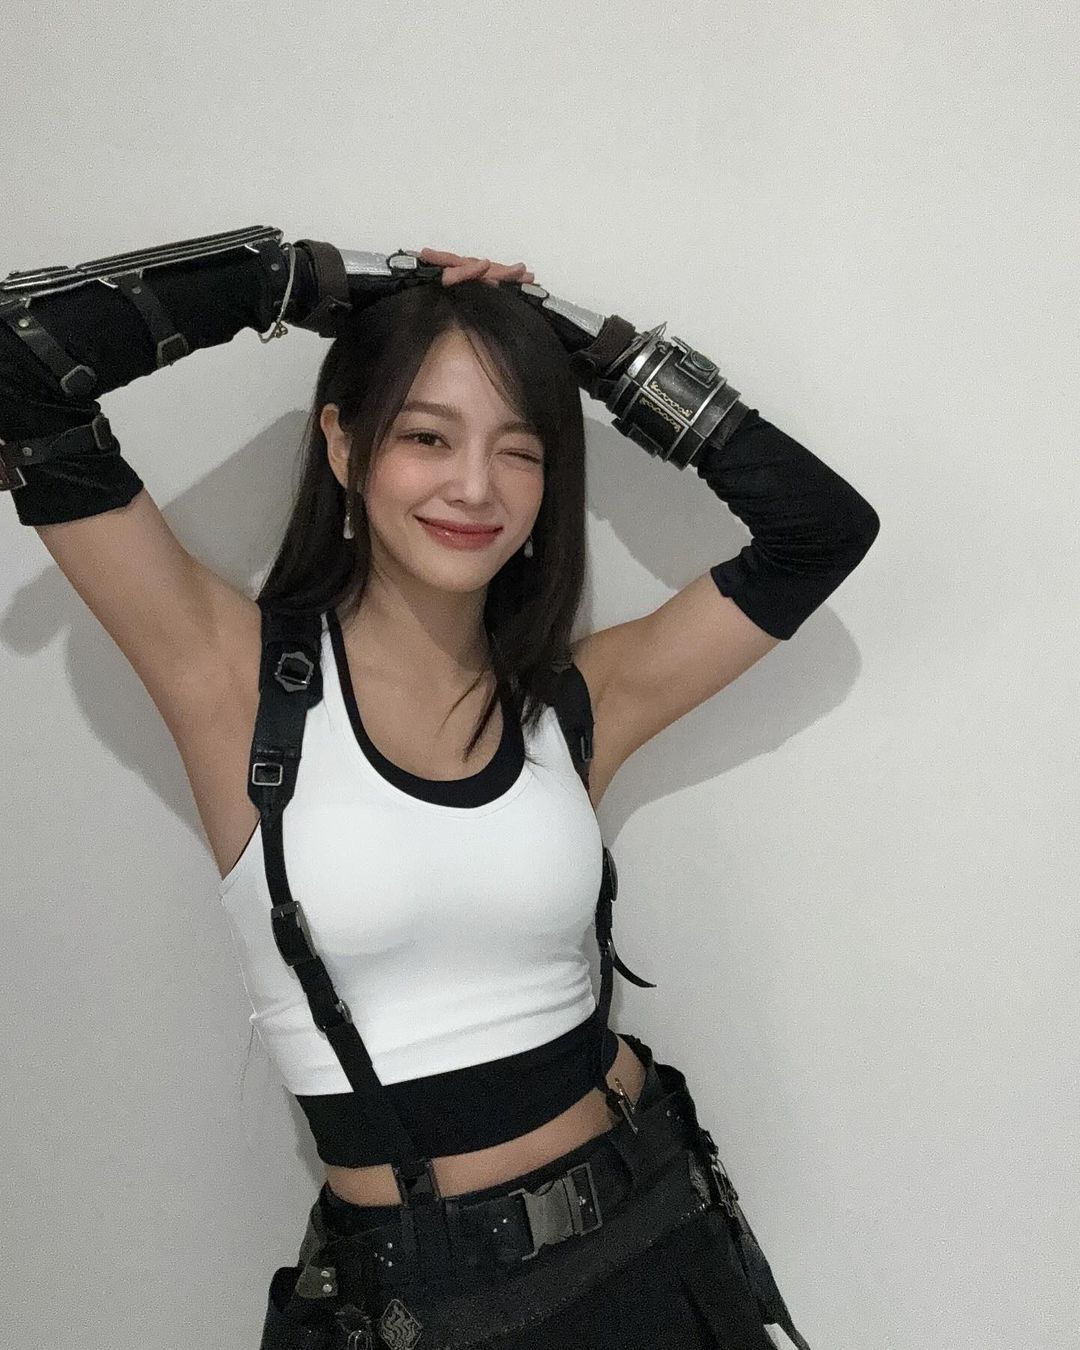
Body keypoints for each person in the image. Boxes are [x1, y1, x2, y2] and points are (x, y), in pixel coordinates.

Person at [1, 227, 879, 1347]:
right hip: (425, 1307)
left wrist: (576, 345)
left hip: (658, 1242)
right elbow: (21, 358)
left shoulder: (574, 706)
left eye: (521, 449)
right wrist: (322, 283)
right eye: (427, 435)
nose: (476, 485)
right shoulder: (231, 680)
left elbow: (820, 528)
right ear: (343, 443)